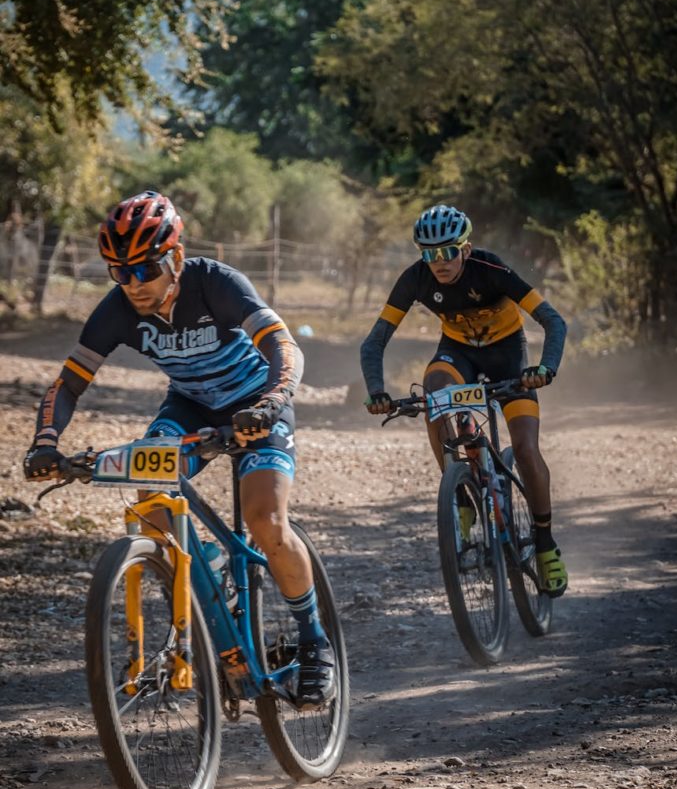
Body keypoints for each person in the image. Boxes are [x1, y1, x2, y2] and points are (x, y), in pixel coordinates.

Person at [23, 190, 335, 706]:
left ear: (176, 257)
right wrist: (46, 442)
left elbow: (284, 346)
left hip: (256, 405)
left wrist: (272, 402)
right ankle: (212, 572)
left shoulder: (216, 283)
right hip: (189, 408)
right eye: (120, 273)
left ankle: (314, 638)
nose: (134, 285)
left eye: (146, 270)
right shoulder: (117, 310)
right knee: (148, 486)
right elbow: (70, 383)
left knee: (265, 521)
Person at [360, 203, 568, 597]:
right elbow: (374, 341)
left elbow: (554, 320)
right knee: (434, 387)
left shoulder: (491, 270)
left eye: (447, 252)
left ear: (465, 249)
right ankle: (459, 493)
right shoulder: (415, 279)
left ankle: (544, 543)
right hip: (459, 356)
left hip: (509, 358)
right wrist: (377, 391)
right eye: (429, 253)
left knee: (525, 449)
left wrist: (546, 367)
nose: (438, 262)